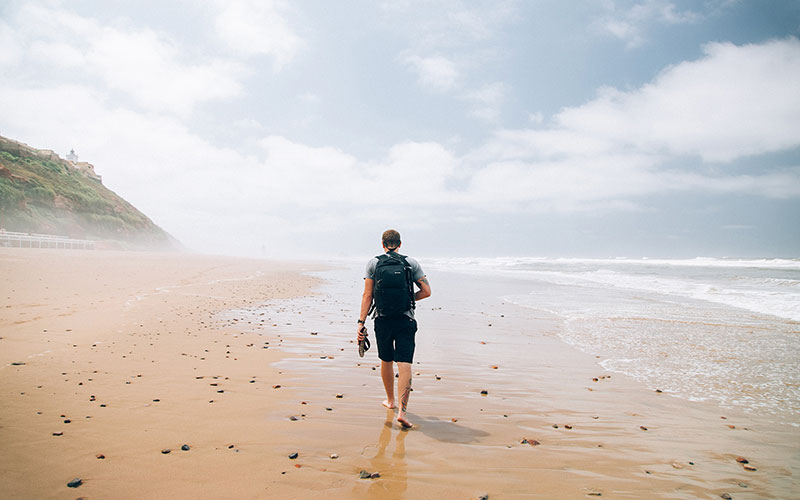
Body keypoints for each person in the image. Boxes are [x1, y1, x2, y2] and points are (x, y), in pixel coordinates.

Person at [358, 229, 431, 429]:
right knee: (404, 363)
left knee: (386, 360)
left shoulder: (374, 263)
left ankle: (390, 400)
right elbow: (426, 292)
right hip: (405, 319)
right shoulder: (410, 263)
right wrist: (409, 300)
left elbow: (367, 295)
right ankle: (403, 411)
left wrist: (361, 322)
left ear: (382, 243)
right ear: (400, 243)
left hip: (382, 319)